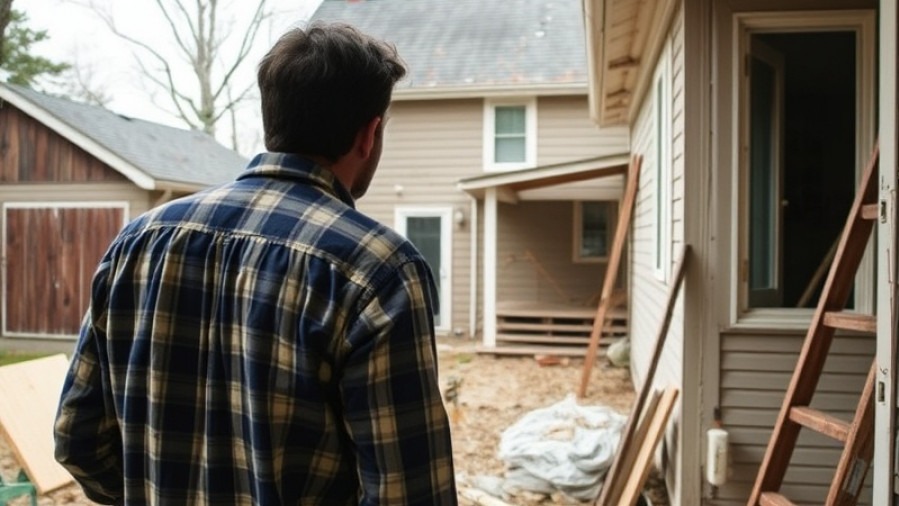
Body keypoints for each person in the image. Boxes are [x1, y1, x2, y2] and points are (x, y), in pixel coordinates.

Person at [54, 21, 458, 506]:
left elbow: (78, 440)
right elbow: (410, 493)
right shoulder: (379, 270)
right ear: (369, 135)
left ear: (273, 118)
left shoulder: (137, 244)